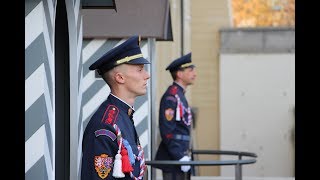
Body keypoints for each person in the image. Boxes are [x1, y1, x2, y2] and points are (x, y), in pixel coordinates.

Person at [81, 35, 150, 180]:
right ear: (120, 78)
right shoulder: (105, 126)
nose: (147, 75)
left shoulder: (124, 115)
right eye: (140, 69)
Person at [155, 52, 197, 180]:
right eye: (190, 70)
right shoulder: (172, 97)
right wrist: (179, 156)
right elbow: (167, 130)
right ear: (179, 74)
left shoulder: (179, 95)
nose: (194, 74)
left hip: (182, 155)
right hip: (174, 158)